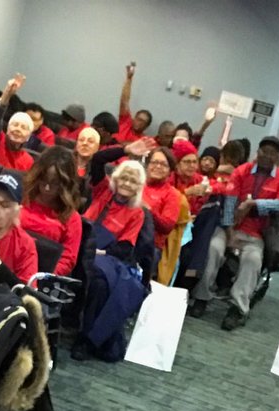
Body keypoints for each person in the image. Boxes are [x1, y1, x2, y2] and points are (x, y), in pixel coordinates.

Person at [187, 135, 279, 331]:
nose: (267, 156)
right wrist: (230, 232)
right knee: (212, 249)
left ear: (278, 157)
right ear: (257, 153)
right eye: (264, 152)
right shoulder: (242, 171)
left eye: (272, 154)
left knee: (252, 261)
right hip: (230, 228)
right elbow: (229, 203)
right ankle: (201, 297)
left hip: (257, 234)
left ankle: (238, 308)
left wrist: (256, 204)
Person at [75, 159, 148, 361]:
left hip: (106, 254)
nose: (126, 184)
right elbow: (99, 162)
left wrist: (98, 252)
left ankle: (85, 338)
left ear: (138, 188)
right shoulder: (103, 192)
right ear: (116, 179)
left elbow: (124, 248)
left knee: (99, 282)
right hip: (81, 241)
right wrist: (126, 151)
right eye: (124, 178)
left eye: (132, 181)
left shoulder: (137, 212)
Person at [19, 146, 84, 276]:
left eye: (54, 184)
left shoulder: (71, 217)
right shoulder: (21, 197)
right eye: (43, 181)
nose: (47, 188)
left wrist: (40, 276)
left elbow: (67, 260)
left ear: (65, 185)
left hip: (39, 275)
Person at [0, 75, 34, 171]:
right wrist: (6, 95)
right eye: (15, 125)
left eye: (23, 127)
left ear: (28, 136)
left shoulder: (29, 161)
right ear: (7, 129)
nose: (18, 129)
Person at [141, 146, 182, 256]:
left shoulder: (172, 194)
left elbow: (167, 226)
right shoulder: (137, 183)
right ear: (147, 165)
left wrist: (148, 210)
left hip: (149, 246)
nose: (158, 166)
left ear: (170, 171)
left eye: (163, 164)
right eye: (154, 162)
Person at [115, 62, 151, 143]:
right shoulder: (126, 122)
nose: (139, 123)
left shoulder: (144, 140)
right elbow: (124, 101)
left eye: (143, 122)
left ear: (146, 126)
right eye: (138, 119)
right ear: (134, 118)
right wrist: (129, 79)